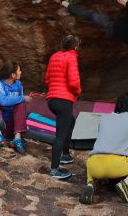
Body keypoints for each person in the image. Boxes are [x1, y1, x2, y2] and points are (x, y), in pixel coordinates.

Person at [79, 92, 128, 205]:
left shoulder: (105, 117)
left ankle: (90, 183)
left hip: (94, 165)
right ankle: (126, 184)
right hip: (115, 166)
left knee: (93, 159)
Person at [44, 34, 81, 180]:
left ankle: (65, 154)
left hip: (52, 99)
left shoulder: (55, 56)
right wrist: (78, 91)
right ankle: (54, 169)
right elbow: (73, 82)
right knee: (60, 134)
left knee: (70, 122)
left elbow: (47, 78)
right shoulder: (71, 57)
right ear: (76, 46)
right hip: (63, 100)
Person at [0, 61, 32, 155]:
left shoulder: (18, 84)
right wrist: (22, 97)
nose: (21, 72)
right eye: (19, 70)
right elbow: (3, 101)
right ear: (13, 75)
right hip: (0, 122)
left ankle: (17, 138)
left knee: (21, 103)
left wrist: (19, 99)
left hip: (11, 125)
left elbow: (17, 103)